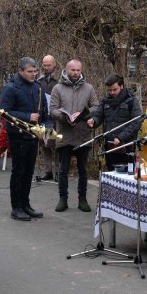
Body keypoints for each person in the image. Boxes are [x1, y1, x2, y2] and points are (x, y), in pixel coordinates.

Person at [0, 57, 47, 221]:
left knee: (28, 172)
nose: (33, 74)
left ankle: (26, 204)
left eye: (35, 71)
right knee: (18, 172)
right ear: (20, 71)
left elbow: (44, 112)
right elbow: (4, 112)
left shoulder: (37, 87)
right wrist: (27, 116)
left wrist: (45, 126)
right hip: (18, 136)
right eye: (30, 71)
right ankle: (16, 207)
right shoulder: (11, 88)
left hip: (33, 135)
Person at [50, 59, 98, 212]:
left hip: (83, 134)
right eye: (73, 70)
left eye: (78, 70)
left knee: (83, 169)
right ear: (66, 70)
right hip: (64, 134)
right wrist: (64, 117)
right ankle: (62, 199)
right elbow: (53, 109)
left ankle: (82, 199)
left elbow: (96, 106)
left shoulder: (89, 88)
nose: (76, 73)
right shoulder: (57, 88)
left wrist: (84, 116)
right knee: (63, 169)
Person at [87, 74, 143, 170]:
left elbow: (136, 123)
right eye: (109, 90)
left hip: (126, 147)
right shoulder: (105, 101)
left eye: (115, 89)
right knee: (112, 176)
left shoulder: (132, 101)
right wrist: (94, 121)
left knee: (126, 178)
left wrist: (120, 138)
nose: (112, 92)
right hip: (110, 146)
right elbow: (98, 115)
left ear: (121, 86)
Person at [38, 55, 60, 181]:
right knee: (45, 144)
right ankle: (48, 171)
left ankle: (58, 172)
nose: (46, 68)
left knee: (56, 145)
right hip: (43, 117)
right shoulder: (39, 81)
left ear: (54, 65)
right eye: (44, 65)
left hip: (56, 117)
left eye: (49, 65)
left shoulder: (59, 81)